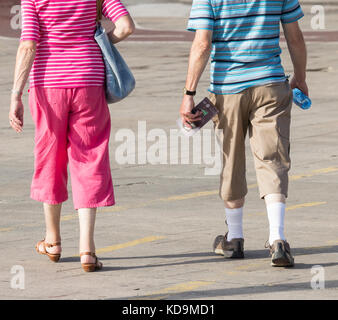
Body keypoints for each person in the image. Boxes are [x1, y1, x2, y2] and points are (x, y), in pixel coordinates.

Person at [8, 0, 135, 272]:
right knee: (89, 158)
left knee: (49, 158)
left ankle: (53, 241)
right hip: (89, 79)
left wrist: (15, 94)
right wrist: (98, 42)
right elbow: (125, 27)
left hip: (48, 83)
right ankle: (87, 250)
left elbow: (29, 44)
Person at [180, 0, 308, 267]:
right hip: (271, 84)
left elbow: (202, 44)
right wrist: (300, 76)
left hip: (228, 89)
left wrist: (189, 94)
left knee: (231, 161)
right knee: (272, 160)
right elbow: (294, 37)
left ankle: (235, 238)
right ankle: (277, 238)